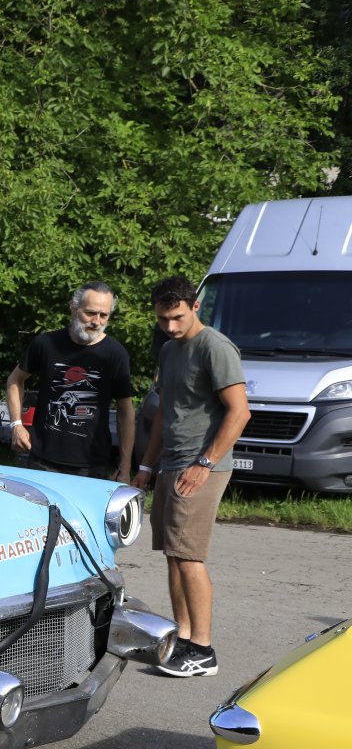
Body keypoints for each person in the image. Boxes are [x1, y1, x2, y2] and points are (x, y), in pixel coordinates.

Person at [132, 275, 250, 678]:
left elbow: (239, 412)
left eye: (177, 317)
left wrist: (204, 463)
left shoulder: (215, 347)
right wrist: (146, 466)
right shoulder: (169, 350)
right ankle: (182, 639)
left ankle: (203, 649)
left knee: (189, 556)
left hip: (201, 466)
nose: (170, 326)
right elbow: (164, 413)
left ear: (195, 307)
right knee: (173, 553)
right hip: (171, 463)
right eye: (162, 319)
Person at [5, 282, 135, 481]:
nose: (96, 321)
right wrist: (16, 424)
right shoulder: (46, 344)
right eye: (90, 313)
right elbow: (15, 380)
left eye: (104, 315)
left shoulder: (115, 354)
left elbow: (125, 412)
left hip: (91, 466)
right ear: (74, 308)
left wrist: (125, 468)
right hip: (42, 461)